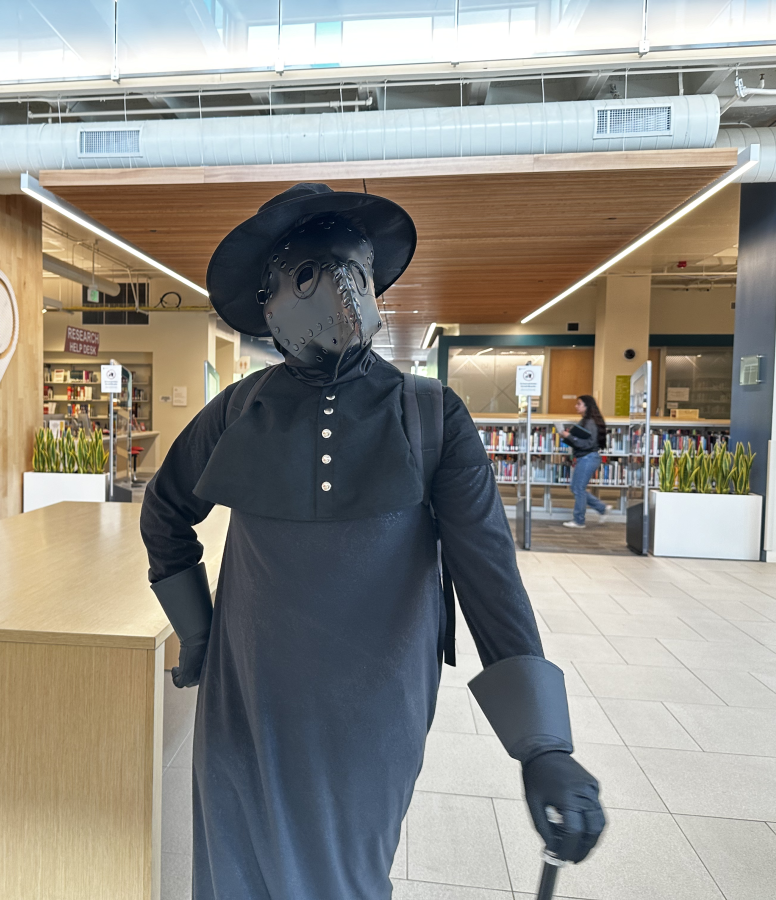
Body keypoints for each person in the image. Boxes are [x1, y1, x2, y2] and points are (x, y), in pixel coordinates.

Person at [140, 183, 604, 900]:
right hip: (247, 694)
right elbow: (165, 512)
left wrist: (543, 744)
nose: (339, 292)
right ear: (271, 301)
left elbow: (488, 577)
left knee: (341, 878)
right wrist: (199, 637)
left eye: (354, 271)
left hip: (372, 706)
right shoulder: (239, 409)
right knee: (232, 872)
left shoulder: (431, 414)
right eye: (309, 274)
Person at [560, 395, 608, 529]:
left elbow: (588, 443)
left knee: (578, 489)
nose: (576, 406)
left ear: (587, 406)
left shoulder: (590, 423)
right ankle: (601, 508)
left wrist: (569, 436)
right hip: (585, 457)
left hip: (588, 457)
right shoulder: (586, 421)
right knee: (576, 488)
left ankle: (579, 520)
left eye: (579, 404)